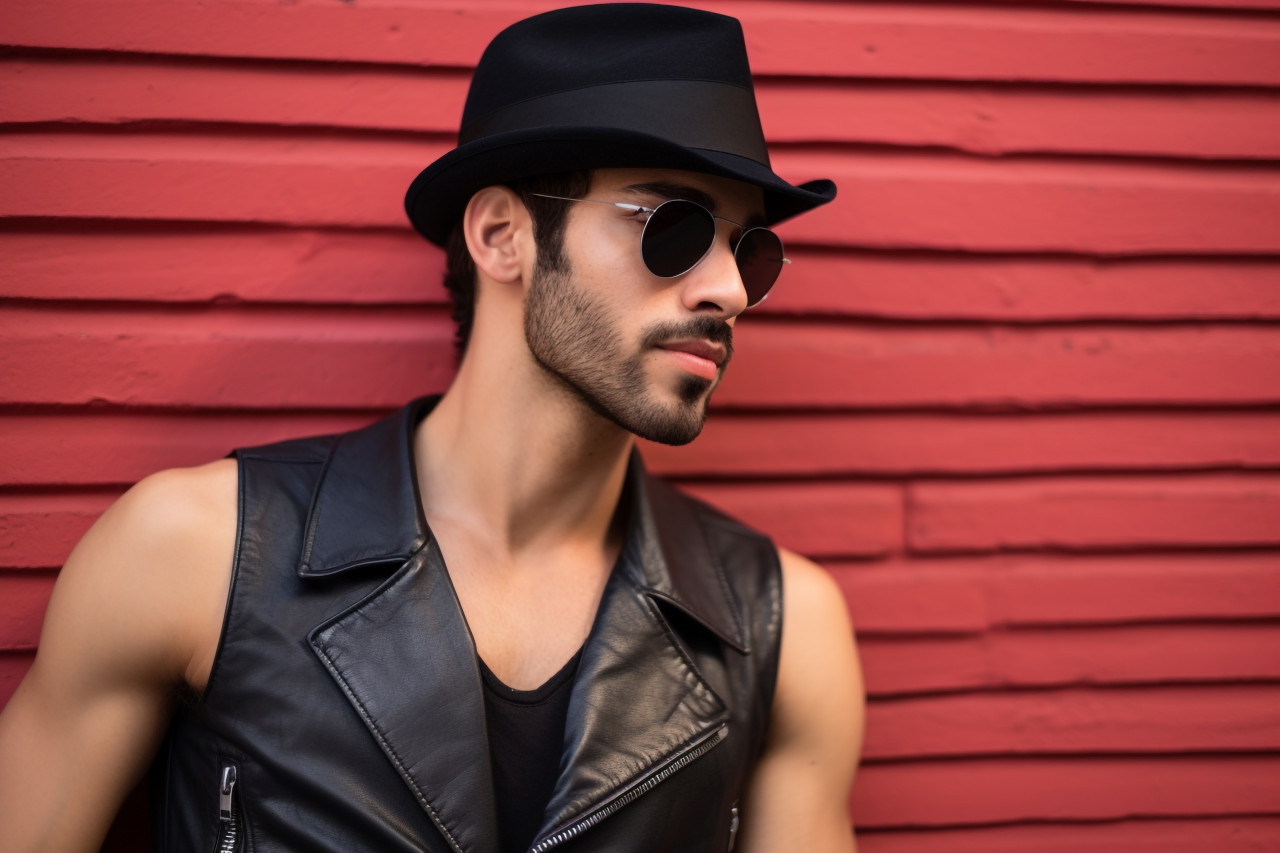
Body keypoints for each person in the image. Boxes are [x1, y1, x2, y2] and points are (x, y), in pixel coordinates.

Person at [0, 4, 864, 851]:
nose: (732, 292)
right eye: (673, 225)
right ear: (500, 235)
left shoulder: (781, 628)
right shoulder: (195, 554)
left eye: (750, 250)